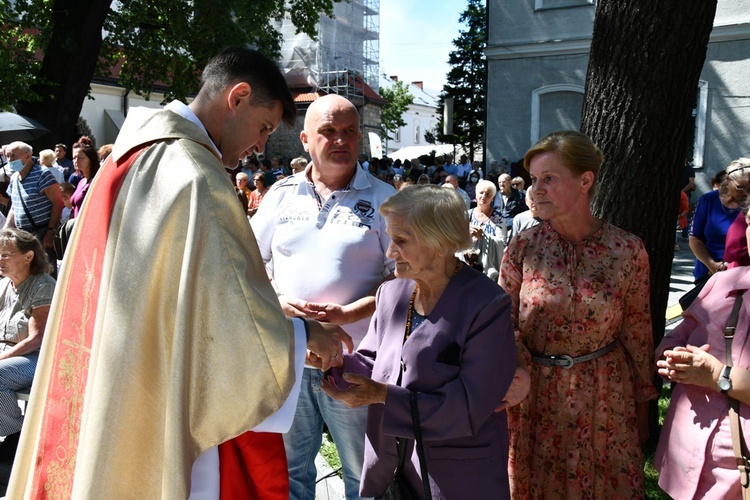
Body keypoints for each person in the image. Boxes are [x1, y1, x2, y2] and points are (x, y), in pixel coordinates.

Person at [6, 47, 350, 500]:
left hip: (112, 370)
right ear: (238, 96)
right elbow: (226, 326)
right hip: (157, 394)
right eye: (264, 127)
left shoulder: (129, 155)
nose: (262, 146)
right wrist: (305, 336)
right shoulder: (195, 176)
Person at [320, 185, 517, 498]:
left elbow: (468, 406)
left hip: (457, 479)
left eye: (400, 240)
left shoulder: (487, 305)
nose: (389, 253)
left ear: (438, 243)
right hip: (394, 472)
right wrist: (334, 360)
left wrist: (383, 397)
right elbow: (375, 361)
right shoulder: (392, 292)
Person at [251, 94, 395, 500]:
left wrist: (351, 311)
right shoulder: (280, 195)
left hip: (357, 362)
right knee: (290, 473)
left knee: (361, 476)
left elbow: (404, 278)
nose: (340, 140)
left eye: (350, 131)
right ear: (304, 139)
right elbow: (247, 260)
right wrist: (278, 298)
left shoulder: (385, 200)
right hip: (290, 355)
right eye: (328, 131)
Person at [499, 130, 658, 498]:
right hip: (535, 398)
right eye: (535, 180)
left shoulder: (627, 250)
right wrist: (517, 370)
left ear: (585, 181)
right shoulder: (523, 247)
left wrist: (643, 409)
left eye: (549, 179)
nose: (536, 189)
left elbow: (638, 333)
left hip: (605, 396)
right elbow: (503, 325)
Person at [654, 204, 750, 498]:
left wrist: (717, 375)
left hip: (738, 473)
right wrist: (673, 360)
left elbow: (715, 373)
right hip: (686, 456)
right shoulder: (722, 282)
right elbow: (674, 341)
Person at [0, 228, 55, 464]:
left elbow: (37, 339)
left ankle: (17, 437)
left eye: (6, 254)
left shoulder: (42, 284)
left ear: (28, 256)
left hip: (36, 357)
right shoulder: (4, 285)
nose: (0, 260)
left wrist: (2, 357)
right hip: (8, 351)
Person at [3, 141, 63, 279]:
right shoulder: (14, 179)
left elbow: (58, 203)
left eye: (13, 155)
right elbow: (14, 207)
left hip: (42, 233)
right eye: (7, 156)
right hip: (22, 236)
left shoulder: (43, 174)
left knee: (45, 273)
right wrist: (5, 231)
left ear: (28, 156)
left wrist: (50, 231)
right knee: (26, 274)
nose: (10, 159)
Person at [689, 179, 740, 279]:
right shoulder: (708, 200)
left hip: (741, 274)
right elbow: (694, 238)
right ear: (728, 179)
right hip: (708, 272)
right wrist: (713, 265)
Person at [465, 179, 506, 281]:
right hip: (466, 265)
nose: (483, 196)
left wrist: (483, 237)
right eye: (481, 193)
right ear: (476, 194)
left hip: (488, 271)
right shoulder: (466, 215)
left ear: (492, 198)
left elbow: (502, 243)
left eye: (488, 194)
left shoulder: (498, 219)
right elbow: (455, 239)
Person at [722, 158, 750, 268]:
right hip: (732, 269)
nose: (746, 193)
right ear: (728, 180)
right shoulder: (709, 200)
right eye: (740, 187)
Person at [69, 136, 100, 218]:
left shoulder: (96, 182)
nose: (76, 161)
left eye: (80, 158)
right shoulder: (81, 181)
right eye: (74, 158)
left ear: (91, 159)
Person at [493, 173, 528, 241]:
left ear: (510, 182)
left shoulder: (519, 195)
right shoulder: (495, 196)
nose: (501, 184)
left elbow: (525, 212)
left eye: (503, 182)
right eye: (499, 182)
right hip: (498, 229)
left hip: (513, 229)